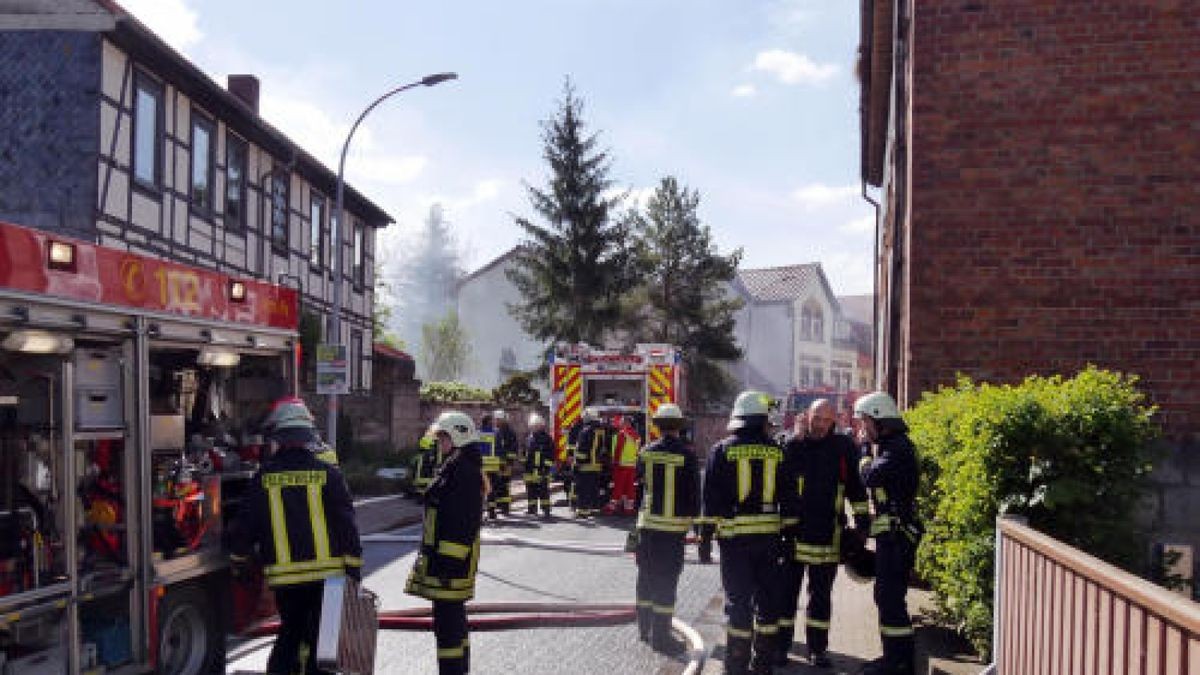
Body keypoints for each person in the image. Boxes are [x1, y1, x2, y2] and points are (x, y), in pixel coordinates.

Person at [228, 398, 363, 675]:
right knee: (319, 643)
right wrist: (354, 569)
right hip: (327, 579)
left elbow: (244, 527)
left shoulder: (262, 479)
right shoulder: (328, 475)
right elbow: (346, 526)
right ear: (308, 437)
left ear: (279, 437)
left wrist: (239, 560)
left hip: (286, 581)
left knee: (290, 633)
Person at [776, 399, 870, 668]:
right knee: (786, 596)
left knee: (820, 598)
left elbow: (855, 487)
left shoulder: (843, 448)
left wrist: (863, 522)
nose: (819, 425)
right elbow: (779, 481)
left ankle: (817, 649)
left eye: (825, 420)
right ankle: (781, 647)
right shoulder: (791, 444)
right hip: (792, 535)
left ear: (835, 421)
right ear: (806, 416)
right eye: (815, 418)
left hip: (829, 536)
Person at [703, 391, 791, 675]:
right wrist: (788, 539)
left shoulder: (721, 450)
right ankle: (763, 664)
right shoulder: (779, 451)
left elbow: (711, 501)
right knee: (768, 604)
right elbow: (790, 499)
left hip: (734, 542)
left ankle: (736, 665)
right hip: (769, 542)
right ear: (764, 419)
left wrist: (705, 540)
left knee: (738, 604)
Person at [405, 411, 486, 675]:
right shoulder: (457, 465)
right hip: (447, 562)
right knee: (452, 623)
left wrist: (446, 563)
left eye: (443, 438)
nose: (439, 443)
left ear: (457, 436)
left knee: (448, 627)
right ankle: (457, 670)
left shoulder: (463, 471)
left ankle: (452, 671)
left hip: (450, 565)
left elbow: (462, 523)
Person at [854, 391, 922, 675]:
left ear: (881, 421)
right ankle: (895, 659)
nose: (863, 429)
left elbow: (870, 476)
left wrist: (863, 454)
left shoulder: (897, 449)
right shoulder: (893, 445)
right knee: (888, 598)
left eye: (866, 422)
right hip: (892, 537)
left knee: (890, 599)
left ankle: (897, 663)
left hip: (897, 538)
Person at [633, 403, 700, 654]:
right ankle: (661, 637)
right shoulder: (688, 455)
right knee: (666, 582)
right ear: (680, 426)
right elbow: (694, 495)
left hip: (647, 527)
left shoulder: (646, 451)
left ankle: (644, 629)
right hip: (672, 532)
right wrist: (699, 532)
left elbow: (639, 487)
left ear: (657, 425)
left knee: (645, 579)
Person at [572, 407, 608, 518]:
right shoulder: (601, 430)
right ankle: (592, 508)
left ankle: (582, 512)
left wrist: (577, 463)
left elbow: (582, 449)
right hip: (596, 465)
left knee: (583, 489)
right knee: (592, 488)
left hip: (585, 465)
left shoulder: (586, 430)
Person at [604, 415, 641, 516]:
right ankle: (628, 508)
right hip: (632, 465)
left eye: (621, 422)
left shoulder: (621, 434)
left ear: (626, 423)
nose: (620, 423)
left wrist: (614, 463)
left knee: (618, 487)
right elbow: (637, 451)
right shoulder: (636, 436)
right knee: (629, 487)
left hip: (620, 465)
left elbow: (617, 451)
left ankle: (611, 507)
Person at [524, 413, 555, 517]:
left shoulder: (547, 438)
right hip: (530, 470)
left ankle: (546, 509)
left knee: (543, 490)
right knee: (531, 490)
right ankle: (532, 509)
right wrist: (524, 464)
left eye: (535, 426)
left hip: (541, 469)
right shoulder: (529, 438)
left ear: (540, 425)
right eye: (532, 426)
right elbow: (525, 453)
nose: (532, 428)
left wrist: (546, 468)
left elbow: (551, 454)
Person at [493, 409, 519, 515]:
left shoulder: (509, 432)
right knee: (498, 484)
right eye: (496, 419)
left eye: (498, 419)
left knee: (504, 484)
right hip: (497, 463)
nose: (496, 421)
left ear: (502, 420)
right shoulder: (497, 431)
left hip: (506, 464)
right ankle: (501, 506)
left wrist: (507, 462)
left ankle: (505, 507)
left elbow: (513, 449)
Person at [477, 414, 502, 521]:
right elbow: (500, 449)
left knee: (480, 490)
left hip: (481, 466)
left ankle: (479, 513)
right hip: (493, 466)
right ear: (489, 422)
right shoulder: (496, 433)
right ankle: (492, 512)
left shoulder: (477, 433)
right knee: (491, 490)